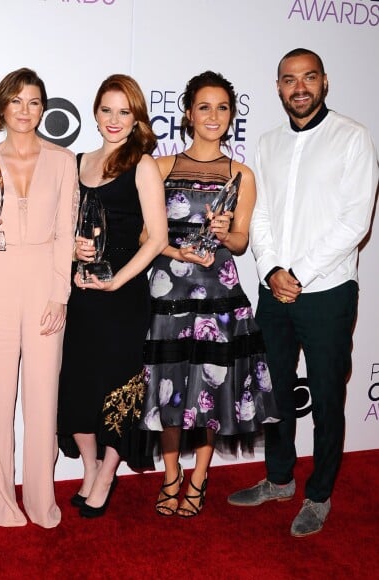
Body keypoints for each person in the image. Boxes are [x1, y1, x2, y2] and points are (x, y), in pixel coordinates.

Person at [227, 49, 378, 537]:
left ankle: (319, 494)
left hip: (328, 290)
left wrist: (299, 273)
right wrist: (271, 269)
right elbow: (261, 214)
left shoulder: (352, 137)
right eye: (289, 79)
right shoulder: (267, 144)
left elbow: (354, 221)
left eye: (308, 77)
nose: (299, 87)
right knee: (274, 391)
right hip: (274, 288)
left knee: (328, 395)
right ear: (277, 87)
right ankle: (278, 478)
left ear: (324, 82)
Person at [139, 71, 279, 519]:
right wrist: (175, 248)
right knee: (168, 388)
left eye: (222, 108)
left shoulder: (242, 175)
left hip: (218, 293)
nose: (213, 116)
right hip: (168, 294)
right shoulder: (159, 167)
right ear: (188, 113)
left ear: (232, 115)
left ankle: (199, 476)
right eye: (204, 106)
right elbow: (146, 235)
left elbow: (241, 242)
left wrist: (224, 233)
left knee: (207, 389)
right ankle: (170, 476)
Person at [0, 68, 78, 529]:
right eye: (16, 101)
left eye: (34, 102)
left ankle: (40, 499)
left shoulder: (63, 161)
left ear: (43, 108)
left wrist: (60, 295)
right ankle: (1, 502)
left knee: (42, 398)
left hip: (44, 282)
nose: (25, 110)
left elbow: (66, 234)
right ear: (2, 106)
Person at [58, 74, 168, 518]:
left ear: (137, 116)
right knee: (78, 388)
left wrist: (117, 280)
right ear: (95, 113)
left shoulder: (141, 164)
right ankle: (88, 468)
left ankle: (107, 474)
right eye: (107, 110)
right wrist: (72, 249)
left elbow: (157, 238)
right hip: (80, 294)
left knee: (117, 389)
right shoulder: (76, 162)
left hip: (122, 298)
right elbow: (61, 230)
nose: (115, 120)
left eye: (125, 111)